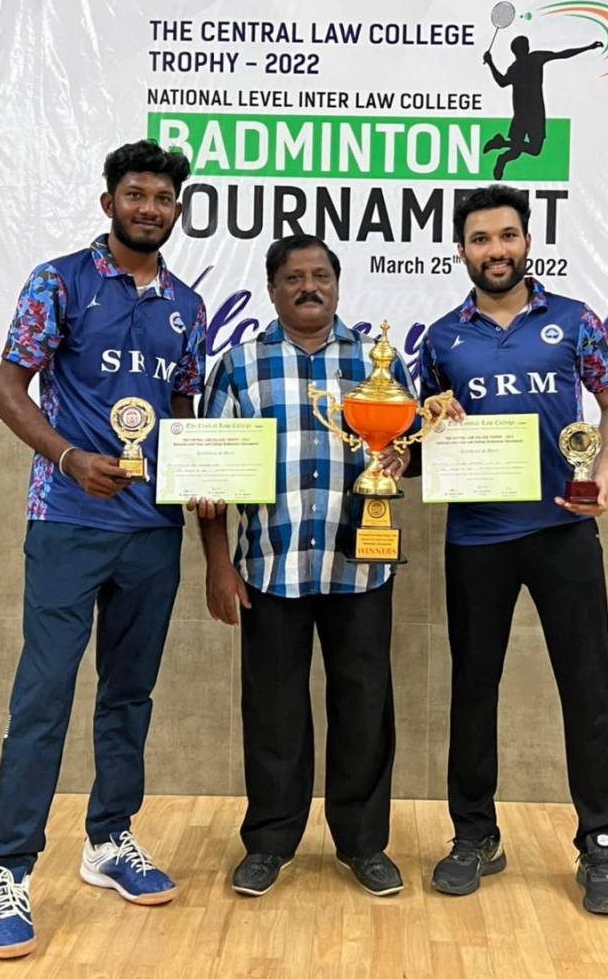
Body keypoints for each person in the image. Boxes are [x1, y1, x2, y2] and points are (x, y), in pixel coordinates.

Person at [0, 140, 205, 960]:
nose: (150, 208)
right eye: (136, 195)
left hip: (152, 529)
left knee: (129, 694)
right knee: (42, 696)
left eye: (163, 199)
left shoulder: (186, 306)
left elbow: (180, 418)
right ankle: (7, 872)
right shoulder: (58, 280)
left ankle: (109, 840)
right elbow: (7, 390)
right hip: (69, 520)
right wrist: (71, 458)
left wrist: (205, 477)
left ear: (178, 211)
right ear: (108, 202)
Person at [419, 184, 608, 915]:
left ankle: (600, 846)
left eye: (507, 237)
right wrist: (423, 429)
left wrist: (600, 475)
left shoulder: (574, 321)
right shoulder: (441, 337)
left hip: (563, 533)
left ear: (527, 243)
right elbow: (423, 435)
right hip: (477, 537)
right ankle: (474, 835)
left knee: (587, 689)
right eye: (481, 240)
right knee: (474, 690)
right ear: (462, 252)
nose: (496, 250)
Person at [197, 233, 413, 898]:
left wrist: (405, 456)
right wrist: (217, 567)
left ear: (339, 285)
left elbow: (407, 450)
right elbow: (210, 477)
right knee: (273, 713)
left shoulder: (379, 362)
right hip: (269, 567)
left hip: (360, 569)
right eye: (294, 277)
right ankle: (269, 841)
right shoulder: (239, 365)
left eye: (321, 275)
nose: (309, 286)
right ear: (272, 289)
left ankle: (363, 843)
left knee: (364, 709)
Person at [482, 35, 602, 179]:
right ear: (523, 49)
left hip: (528, 114)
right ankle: (501, 153)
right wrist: (588, 47)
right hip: (531, 114)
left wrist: (490, 62)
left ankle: (501, 144)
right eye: (525, 45)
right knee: (526, 150)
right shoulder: (533, 59)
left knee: (527, 150)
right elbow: (562, 55)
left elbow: (502, 81)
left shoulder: (519, 65)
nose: (527, 47)